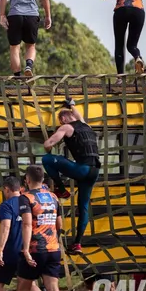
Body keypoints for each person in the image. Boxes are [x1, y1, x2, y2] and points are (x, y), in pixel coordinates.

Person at [3, 165, 78, 291]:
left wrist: (26, 249)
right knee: (54, 290)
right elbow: (59, 224)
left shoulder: (26, 198)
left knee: (23, 289)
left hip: (36, 250)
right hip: (53, 250)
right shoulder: (53, 197)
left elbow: (27, 225)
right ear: (43, 179)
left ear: (27, 180)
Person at [41, 99, 100, 255]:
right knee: (84, 207)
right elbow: (78, 116)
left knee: (46, 159)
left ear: (63, 119)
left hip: (82, 169)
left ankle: (61, 190)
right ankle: (77, 244)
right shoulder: (86, 125)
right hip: (94, 171)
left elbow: (49, 143)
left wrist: (49, 149)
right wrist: (71, 104)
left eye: (60, 120)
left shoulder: (66, 127)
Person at [0, 0, 51, 77]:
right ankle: (28, 65)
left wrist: (2, 15)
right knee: (30, 46)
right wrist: (48, 16)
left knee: (14, 48)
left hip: (15, 15)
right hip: (32, 15)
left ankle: (17, 78)